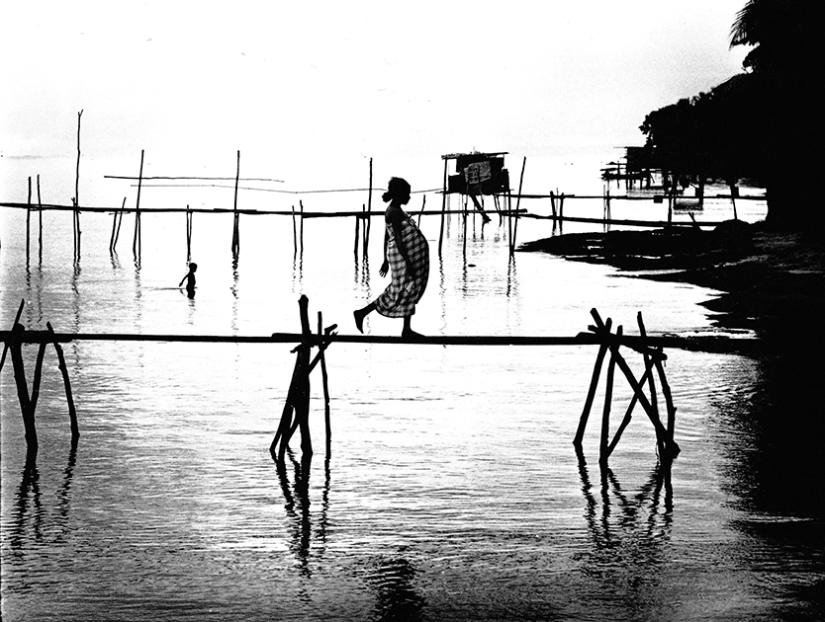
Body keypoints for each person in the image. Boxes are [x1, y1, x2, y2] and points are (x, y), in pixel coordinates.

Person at [354, 177, 429, 337]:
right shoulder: (394, 212)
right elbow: (398, 239)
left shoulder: (395, 210)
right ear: (399, 194)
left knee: (407, 287)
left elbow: (387, 236)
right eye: (407, 194)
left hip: (400, 255)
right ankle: (363, 314)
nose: (409, 197)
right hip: (401, 256)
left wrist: (385, 259)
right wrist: (407, 262)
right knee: (401, 289)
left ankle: (406, 328)